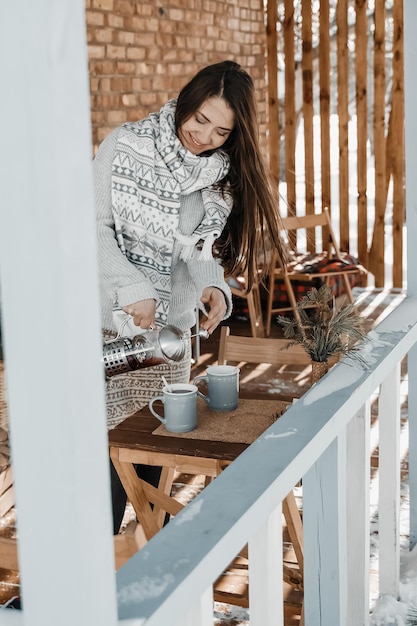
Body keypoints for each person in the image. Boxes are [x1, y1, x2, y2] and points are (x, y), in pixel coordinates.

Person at [93, 60, 286, 534]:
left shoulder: (219, 177)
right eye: (200, 119)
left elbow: (199, 250)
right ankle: (83, 577)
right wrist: (131, 287)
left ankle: (143, 562)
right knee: (100, 458)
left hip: (170, 337)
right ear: (186, 100)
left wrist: (213, 287)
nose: (205, 137)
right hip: (108, 328)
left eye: (221, 131)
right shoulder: (124, 145)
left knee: (157, 452)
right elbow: (92, 228)